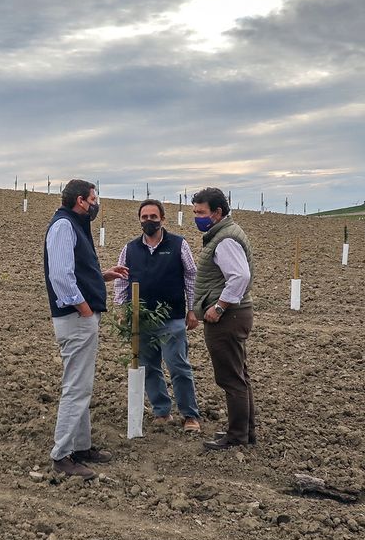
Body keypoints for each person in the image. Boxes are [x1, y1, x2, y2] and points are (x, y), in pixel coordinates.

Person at [44, 178, 130, 479]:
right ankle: (62, 455)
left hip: (80, 317)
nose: (97, 203)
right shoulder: (63, 226)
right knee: (76, 387)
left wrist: (103, 275)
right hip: (76, 319)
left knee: (82, 385)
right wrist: (84, 308)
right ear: (81, 200)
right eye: (94, 198)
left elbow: (76, 270)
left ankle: (81, 447)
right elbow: (61, 276)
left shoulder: (75, 225)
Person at [112, 199, 201, 433]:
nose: (149, 220)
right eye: (144, 217)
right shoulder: (130, 249)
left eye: (153, 216)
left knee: (178, 365)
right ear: (139, 219)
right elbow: (122, 280)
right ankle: (162, 411)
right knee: (149, 367)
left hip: (172, 317)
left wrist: (192, 309)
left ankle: (190, 415)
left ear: (162, 218)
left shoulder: (179, 245)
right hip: (142, 320)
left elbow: (191, 278)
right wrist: (123, 310)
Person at [189, 187, 256, 450]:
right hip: (235, 314)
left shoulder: (225, 240)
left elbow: (240, 276)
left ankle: (237, 435)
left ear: (217, 212)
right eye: (194, 212)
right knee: (239, 375)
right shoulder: (225, 233)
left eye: (201, 212)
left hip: (228, 318)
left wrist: (218, 307)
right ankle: (245, 432)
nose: (197, 217)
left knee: (230, 378)